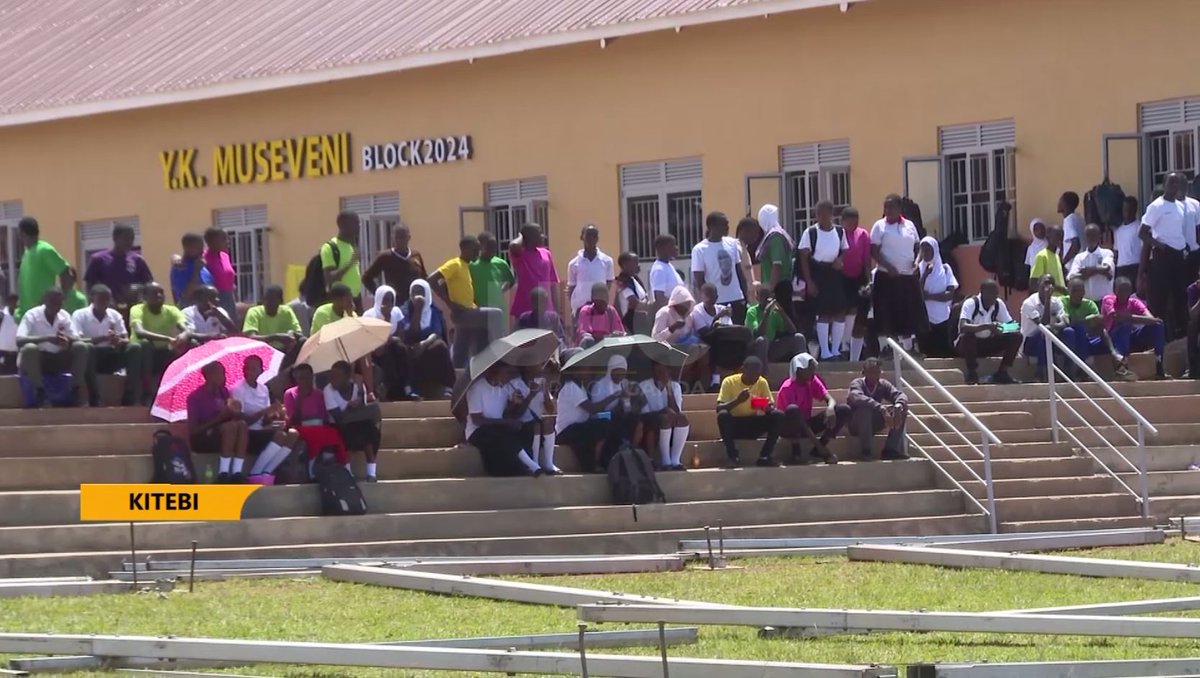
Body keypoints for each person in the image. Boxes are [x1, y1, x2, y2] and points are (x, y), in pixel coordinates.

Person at [430, 236, 501, 368]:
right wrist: (450, 304)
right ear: (466, 249)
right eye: (475, 250)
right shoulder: (455, 264)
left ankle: (458, 379)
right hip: (463, 313)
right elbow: (432, 279)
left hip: (468, 313)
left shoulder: (466, 266)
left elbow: (450, 286)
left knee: (461, 353)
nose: (477, 253)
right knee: (495, 314)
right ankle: (501, 353)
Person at [1141, 173, 1195, 340]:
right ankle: (1159, 337)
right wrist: (1160, 246)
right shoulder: (1157, 206)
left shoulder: (1180, 206)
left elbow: (1177, 231)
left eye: (1176, 183)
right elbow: (1143, 233)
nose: (1174, 186)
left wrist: (1184, 246)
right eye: (1171, 182)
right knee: (1161, 298)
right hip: (1163, 255)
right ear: (1164, 185)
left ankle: (1180, 335)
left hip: (1178, 255)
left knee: (1180, 295)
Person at [71, 283, 143, 406]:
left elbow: (125, 338)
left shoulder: (114, 315)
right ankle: (94, 396)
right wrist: (101, 338)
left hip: (111, 354)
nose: (105, 302)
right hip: (92, 356)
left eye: (108, 298)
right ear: (92, 297)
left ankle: (129, 394)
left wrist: (118, 340)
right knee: (87, 348)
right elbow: (77, 340)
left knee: (135, 347)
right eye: (101, 298)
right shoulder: (80, 315)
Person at [465, 363, 543, 477]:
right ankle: (530, 465)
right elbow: (477, 420)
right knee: (501, 434)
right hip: (478, 431)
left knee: (526, 428)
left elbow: (515, 415)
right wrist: (507, 422)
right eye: (507, 373)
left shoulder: (505, 388)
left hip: (499, 428)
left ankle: (529, 463)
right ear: (495, 372)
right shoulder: (477, 389)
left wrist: (518, 402)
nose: (509, 377)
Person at [870, 195, 925, 354]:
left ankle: (909, 348)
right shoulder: (879, 226)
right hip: (887, 276)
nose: (887, 211)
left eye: (891, 207)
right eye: (885, 207)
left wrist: (917, 261)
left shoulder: (909, 225)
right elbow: (874, 250)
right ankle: (885, 348)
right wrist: (888, 266)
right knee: (885, 314)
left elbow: (918, 246)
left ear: (899, 209)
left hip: (907, 276)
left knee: (908, 313)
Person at [16, 287, 90, 407]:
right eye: (53, 302)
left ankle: (75, 390)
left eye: (59, 303)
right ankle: (40, 392)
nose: (56, 306)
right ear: (45, 301)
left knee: (80, 346)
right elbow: (19, 340)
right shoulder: (32, 315)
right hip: (38, 360)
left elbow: (76, 338)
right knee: (29, 348)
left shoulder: (64, 316)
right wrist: (48, 338)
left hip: (58, 358)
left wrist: (66, 340)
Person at [231, 355, 299, 479]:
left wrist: (275, 416)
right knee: (280, 435)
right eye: (246, 368)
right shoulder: (238, 389)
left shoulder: (263, 389)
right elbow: (243, 421)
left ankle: (267, 471)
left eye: (253, 368)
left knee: (293, 434)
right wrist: (265, 411)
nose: (248, 371)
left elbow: (265, 419)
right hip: (248, 433)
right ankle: (255, 473)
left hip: (262, 429)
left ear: (261, 371)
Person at [800, 201, 849, 360]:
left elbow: (845, 250)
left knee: (840, 312)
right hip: (818, 273)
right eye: (818, 213)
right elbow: (804, 257)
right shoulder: (810, 232)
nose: (820, 216)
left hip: (834, 274)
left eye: (823, 213)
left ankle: (836, 350)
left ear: (831, 214)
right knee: (823, 313)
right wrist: (809, 281)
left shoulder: (840, 232)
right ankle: (825, 351)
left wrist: (840, 260)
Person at [777, 353, 848, 465]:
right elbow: (797, 419)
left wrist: (830, 408)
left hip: (806, 423)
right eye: (810, 369)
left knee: (843, 410)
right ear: (800, 370)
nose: (813, 372)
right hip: (789, 428)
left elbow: (829, 398)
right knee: (793, 410)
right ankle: (797, 452)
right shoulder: (787, 388)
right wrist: (819, 446)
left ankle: (820, 447)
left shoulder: (812, 380)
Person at [283, 363, 351, 478]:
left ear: (312, 377)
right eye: (300, 378)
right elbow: (293, 421)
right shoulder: (290, 394)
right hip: (300, 428)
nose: (304, 381)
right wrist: (300, 400)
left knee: (333, 434)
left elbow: (325, 418)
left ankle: (342, 467)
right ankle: (311, 470)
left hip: (318, 427)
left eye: (307, 378)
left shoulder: (319, 394)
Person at [186, 361, 248, 482]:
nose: (224, 377)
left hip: (224, 434)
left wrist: (235, 410)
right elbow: (193, 430)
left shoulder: (223, 392)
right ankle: (223, 473)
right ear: (209, 375)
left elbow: (231, 416)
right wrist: (219, 418)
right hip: (203, 437)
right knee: (229, 427)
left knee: (241, 425)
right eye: (221, 373)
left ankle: (237, 472)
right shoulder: (195, 397)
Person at [715, 356, 781, 468]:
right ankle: (733, 457)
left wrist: (765, 406)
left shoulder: (761, 382)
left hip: (753, 424)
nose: (754, 378)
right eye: (751, 374)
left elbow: (770, 405)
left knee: (778, 415)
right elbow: (719, 408)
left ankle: (765, 456)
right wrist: (738, 401)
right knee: (723, 416)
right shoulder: (729, 381)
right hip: (735, 425)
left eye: (757, 375)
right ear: (743, 370)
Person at [396, 279, 456, 400]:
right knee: (405, 350)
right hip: (412, 345)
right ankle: (412, 390)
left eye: (421, 291)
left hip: (429, 345)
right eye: (414, 292)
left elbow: (437, 332)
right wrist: (417, 310)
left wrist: (424, 344)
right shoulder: (405, 310)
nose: (417, 295)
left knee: (440, 346)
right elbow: (409, 332)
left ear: (427, 293)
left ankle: (448, 387)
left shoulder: (434, 311)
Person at [130, 282, 192, 398]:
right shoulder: (137, 309)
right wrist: (167, 338)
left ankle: (184, 390)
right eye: (154, 293)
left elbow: (186, 329)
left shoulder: (171, 310)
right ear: (145, 297)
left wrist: (184, 335)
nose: (159, 296)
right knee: (145, 344)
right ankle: (147, 393)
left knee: (189, 343)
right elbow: (140, 332)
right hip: (143, 354)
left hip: (164, 351)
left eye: (161, 293)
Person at [324, 360, 382, 482]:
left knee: (369, 429)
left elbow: (367, 413)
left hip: (358, 424)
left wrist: (361, 398)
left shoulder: (357, 386)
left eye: (337, 376)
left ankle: (371, 472)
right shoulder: (328, 390)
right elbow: (339, 418)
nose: (333, 379)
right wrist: (350, 407)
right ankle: (352, 470)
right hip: (337, 425)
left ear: (347, 376)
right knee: (358, 430)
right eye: (331, 376)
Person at [955, 279, 1020, 385]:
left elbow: (1014, 326)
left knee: (1017, 336)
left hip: (986, 343)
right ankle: (972, 373)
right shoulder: (971, 303)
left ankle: (1002, 372)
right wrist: (987, 326)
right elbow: (963, 327)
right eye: (992, 293)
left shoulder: (998, 304)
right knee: (968, 336)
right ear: (983, 292)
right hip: (967, 346)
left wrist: (1001, 328)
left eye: (996, 293)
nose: (995, 296)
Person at [1102, 276, 1167, 380]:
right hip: (1112, 337)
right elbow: (1115, 316)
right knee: (1125, 324)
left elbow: (1150, 318)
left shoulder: (1134, 302)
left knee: (1157, 325)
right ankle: (1121, 366)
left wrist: (1151, 320)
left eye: (1127, 290)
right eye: (1121, 290)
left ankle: (1158, 363)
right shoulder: (1108, 299)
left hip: (1130, 337)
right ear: (1115, 290)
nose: (1125, 293)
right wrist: (1132, 318)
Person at [1062, 277, 1126, 379]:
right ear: (1068, 291)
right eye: (1074, 291)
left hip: (1087, 339)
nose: (1078, 294)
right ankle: (1083, 367)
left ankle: (1116, 356)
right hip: (1070, 340)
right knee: (1078, 328)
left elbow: (1100, 320)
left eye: (1081, 290)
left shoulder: (1089, 304)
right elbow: (1067, 323)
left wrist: (1086, 322)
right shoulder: (1062, 302)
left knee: (1108, 329)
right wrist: (1087, 319)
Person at [846, 358, 909, 460]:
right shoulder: (857, 383)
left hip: (874, 422)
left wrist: (899, 406)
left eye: (877, 372)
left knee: (901, 410)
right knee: (864, 409)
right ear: (864, 372)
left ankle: (890, 450)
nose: (875, 375)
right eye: (871, 372)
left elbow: (900, 395)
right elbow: (857, 397)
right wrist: (881, 408)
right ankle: (866, 451)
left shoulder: (883, 384)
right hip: (856, 425)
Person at [692, 212, 748, 323]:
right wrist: (705, 303)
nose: (727, 227)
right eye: (724, 224)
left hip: (736, 299)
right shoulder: (700, 249)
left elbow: (739, 271)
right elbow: (699, 280)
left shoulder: (732, 244)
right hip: (716, 303)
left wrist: (745, 296)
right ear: (712, 226)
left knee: (739, 334)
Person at [555, 371, 615, 474]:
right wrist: (614, 396)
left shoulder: (581, 387)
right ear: (574, 371)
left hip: (579, 427)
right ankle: (591, 465)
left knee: (606, 423)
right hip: (566, 431)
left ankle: (601, 461)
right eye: (584, 369)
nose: (588, 372)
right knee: (591, 430)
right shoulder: (571, 387)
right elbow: (592, 409)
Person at [82, 222, 154, 308]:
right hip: (108, 310)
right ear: (115, 238)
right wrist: (95, 305)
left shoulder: (138, 260)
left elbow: (149, 284)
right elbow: (89, 285)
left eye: (132, 238)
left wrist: (138, 288)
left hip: (133, 309)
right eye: (126, 238)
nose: (130, 242)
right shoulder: (99, 259)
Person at [635, 361, 690, 471]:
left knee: (683, 419)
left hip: (669, 419)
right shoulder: (643, 386)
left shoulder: (675, 386)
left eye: (663, 371)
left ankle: (675, 460)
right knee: (665, 418)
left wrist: (669, 390)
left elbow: (676, 411)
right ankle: (666, 461)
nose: (660, 374)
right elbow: (644, 413)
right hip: (650, 419)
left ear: (669, 371)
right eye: (657, 371)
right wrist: (663, 411)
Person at [15, 216, 71, 320]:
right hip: (27, 315)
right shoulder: (27, 253)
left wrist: (60, 299)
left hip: (44, 314)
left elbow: (66, 273)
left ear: (22, 233)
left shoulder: (45, 249)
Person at [588, 355, 639, 468]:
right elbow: (596, 412)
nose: (619, 376)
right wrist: (616, 397)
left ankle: (632, 450)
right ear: (610, 370)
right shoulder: (599, 385)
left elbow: (627, 409)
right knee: (615, 417)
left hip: (618, 417)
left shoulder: (624, 385)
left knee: (635, 418)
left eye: (622, 373)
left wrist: (626, 401)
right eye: (617, 372)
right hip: (601, 417)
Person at [508, 362, 560, 475]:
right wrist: (531, 394)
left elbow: (551, 410)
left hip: (538, 427)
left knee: (548, 421)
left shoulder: (541, 382)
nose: (540, 367)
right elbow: (517, 413)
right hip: (522, 426)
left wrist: (545, 392)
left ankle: (549, 463)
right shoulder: (515, 384)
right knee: (535, 425)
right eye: (536, 364)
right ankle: (534, 463)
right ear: (526, 368)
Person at [1020, 274, 1074, 380]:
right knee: (1044, 333)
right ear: (1037, 285)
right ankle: (1040, 372)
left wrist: (1054, 327)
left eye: (1051, 284)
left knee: (1069, 332)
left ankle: (1069, 368)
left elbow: (1065, 321)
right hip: (1031, 342)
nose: (1048, 286)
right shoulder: (1029, 303)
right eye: (1045, 283)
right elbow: (1042, 325)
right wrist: (1047, 299)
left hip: (1051, 336)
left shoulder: (1057, 301)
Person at [363, 284, 411, 401]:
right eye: (385, 299)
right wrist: (385, 318)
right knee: (388, 352)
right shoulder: (370, 315)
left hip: (394, 349)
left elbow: (401, 336)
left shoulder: (396, 312)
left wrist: (389, 319)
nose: (388, 303)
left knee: (401, 349)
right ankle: (387, 388)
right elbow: (372, 342)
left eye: (391, 300)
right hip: (375, 351)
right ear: (379, 299)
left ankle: (406, 388)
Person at [509, 223, 563, 323]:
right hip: (524, 307)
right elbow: (513, 245)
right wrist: (521, 236)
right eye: (539, 233)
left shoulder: (546, 253)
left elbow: (552, 284)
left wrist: (557, 311)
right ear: (528, 238)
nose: (543, 236)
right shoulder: (520, 255)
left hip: (546, 308)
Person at [917, 235, 959, 358]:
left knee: (942, 350)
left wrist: (929, 297)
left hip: (943, 318)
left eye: (928, 250)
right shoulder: (918, 270)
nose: (925, 253)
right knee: (926, 350)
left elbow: (949, 295)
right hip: (924, 318)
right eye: (923, 250)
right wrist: (924, 275)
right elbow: (917, 293)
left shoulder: (945, 269)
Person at [361, 223, 427, 302]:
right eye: (397, 238)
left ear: (409, 237)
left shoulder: (416, 255)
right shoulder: (386, 257)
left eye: (403, 237)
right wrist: (381, 295)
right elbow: (366, 278)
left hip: (415, 303)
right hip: (396, 304)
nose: (399, 241)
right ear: (393, 238)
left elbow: (424, 278)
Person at [840, 207, 873, 362]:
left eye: (856, 221)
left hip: (859, 278)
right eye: (850, 222)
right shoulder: (839, 234)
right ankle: (843, 347)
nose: (853, 225)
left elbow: (866, 261)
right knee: (846, 312)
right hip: (841, 278)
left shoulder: (863, 235)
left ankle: (854, 358)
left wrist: (869, 281)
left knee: (861, 319)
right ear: (843, 221)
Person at [242, 284, 305, 366]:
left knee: (302, 341)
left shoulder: (286, 311)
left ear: (280, 301)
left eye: (272, 300)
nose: (268, 303)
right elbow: (250, 338)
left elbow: (299, 334)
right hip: (261, 352)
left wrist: (291, 334)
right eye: (265, 299)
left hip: (283, 353)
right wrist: (276, 337)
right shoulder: (254, 312)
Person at [756, 204, 796, 324]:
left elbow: (777, 265)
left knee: (783, 320)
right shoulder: (774, 235)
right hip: (778, 285)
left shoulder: (775, 237)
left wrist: (771, 289)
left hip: (778, 287)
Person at [746, 285, 806, 365]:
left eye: (767, 295)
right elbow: (759, 333)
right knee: (763, 340)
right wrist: (766, 313)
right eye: (762, 295)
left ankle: (802, 369)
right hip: (756, 348)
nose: (766, 298)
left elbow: (793, 330)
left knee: (799, 338)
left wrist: (782, 312)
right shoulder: (752, 311)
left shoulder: (775, 312)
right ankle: (763, 374)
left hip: (771, 348)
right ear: (757, 297)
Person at [567, 224, 615, 316]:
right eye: (588, 235)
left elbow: (608, 284)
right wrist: (573, 307)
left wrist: (601, 299)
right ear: (582, 237)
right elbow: (571, 287)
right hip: (580, 308)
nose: (591, 238)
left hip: (600, 309)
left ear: (597, 238)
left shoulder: (607, 261)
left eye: (594, 235)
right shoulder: (573, 264)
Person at [469, 231, 515, 328]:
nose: (492, 250)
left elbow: (511, 280)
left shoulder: (500, 263)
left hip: (498, 309)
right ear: (480, 246)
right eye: (489, 247)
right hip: (480, 310)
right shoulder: (472, 265)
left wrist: (500, 290)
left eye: (494, 247)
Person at [322, 211, 363, 313]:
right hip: (341, 302)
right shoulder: (330, 247)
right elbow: (329, 278)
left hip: (356, 299)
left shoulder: (352, 245)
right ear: (343, 224)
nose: (359, 226)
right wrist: (350, 263)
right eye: (356, 223)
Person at [1067, 223, 1115, 302]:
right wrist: (1098, 271)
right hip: (1086, 302)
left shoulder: (1106, 253)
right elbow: (1072, 278)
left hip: (1105, 301)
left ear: (1099, 236)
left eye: (1094, 235)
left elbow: (1106, 268)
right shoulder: (1079, 257)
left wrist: (1086, 271)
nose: (1091, 238)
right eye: (1088, 235)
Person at [576, 281, 625, 348]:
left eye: (604, 302)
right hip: (590, 350)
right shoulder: (586, 311)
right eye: (599, 302)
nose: (602, 305)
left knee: (619, 357)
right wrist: (608, 337)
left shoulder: (611, 311)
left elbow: (621, 333)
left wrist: (618, 335)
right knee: (588, 340)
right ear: (593, 300)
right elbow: (585, 335)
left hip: (608, 348)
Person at [170, 232, 213, 309]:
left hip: (208, 307)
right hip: (190, 309)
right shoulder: (180, 268)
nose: (201, 250)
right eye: (197, 247)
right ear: (187, 248)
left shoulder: (201, 264)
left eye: (202, 246)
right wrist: (196, 271)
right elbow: (186, 295)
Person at [203, 227, 238, 320]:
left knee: (231, 326)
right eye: (223, 238)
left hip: (229, 297)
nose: (227, 241)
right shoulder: (203, 258)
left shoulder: (225, 255)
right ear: (210, 241)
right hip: (215, 299)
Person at [615, 251, 651, 334]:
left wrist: (645, 303)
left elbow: (645, 297)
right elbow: (634, 303)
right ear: (624, 265)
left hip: (641, 321)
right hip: (630, 323)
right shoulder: (622, 283)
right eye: (634, 262)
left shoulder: (635, 280)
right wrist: (649, 305)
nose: (638, 265)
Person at [649, 234, 685, 307]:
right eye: (672, 245)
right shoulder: (659, 270)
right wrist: (679, 307)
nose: (676, 248)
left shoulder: (668, 265)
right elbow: (660, 298)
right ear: (662, 248)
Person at [1029, 224, 1066, 293]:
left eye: (1061, 236)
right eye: (1057, 236)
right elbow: (1033, 283)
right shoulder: (1042, 256)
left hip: (1059, 301)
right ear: (1048, 237)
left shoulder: (1056, 256)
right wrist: (1057, 289)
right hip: (1049, 300)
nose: (1059, 239)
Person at [1113, 197, 1142, 284]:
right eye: (1126, 210)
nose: (1128, 213)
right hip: (1121, 268)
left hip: (1136, 266)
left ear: (1135, 210)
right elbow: (1116, 251)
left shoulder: (1140, 227)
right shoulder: (1118, 230)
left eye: (1131, 210)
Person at [735, 216, 763, 291]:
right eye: (754, 232)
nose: (756, 236)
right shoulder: (737, 249)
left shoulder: (744, 248)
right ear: (744, 231)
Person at [1059, 191, 1083, 265]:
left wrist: (1063, 263)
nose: (1058, 204)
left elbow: (1076, 245)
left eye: (1060, 201)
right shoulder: (1080, 218)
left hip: (1074, 266)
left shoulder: (1069, 220)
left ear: (1065, 204)